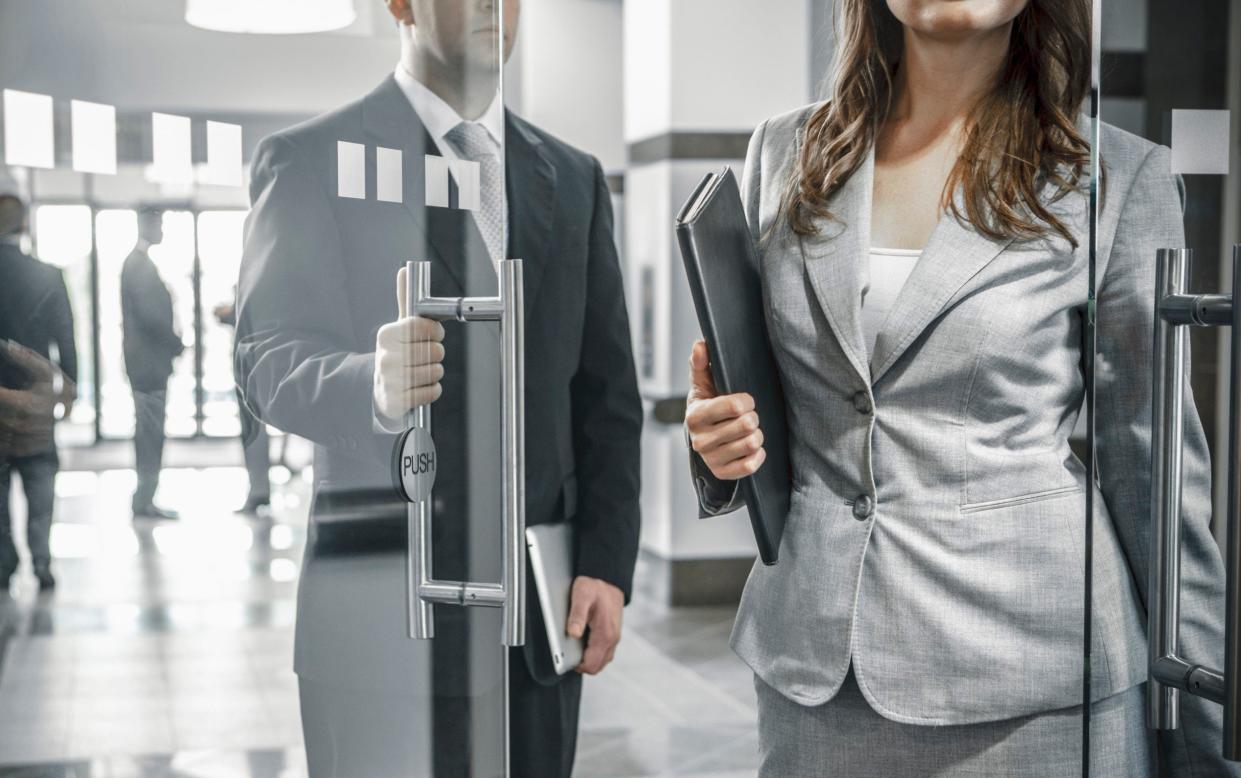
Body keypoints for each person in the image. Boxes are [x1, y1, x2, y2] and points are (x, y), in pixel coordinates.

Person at [684, 0, 1233, 775]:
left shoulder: (1114, 176)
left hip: (1033, 676)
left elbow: (1157, 478)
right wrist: (713, 439)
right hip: (816, 670)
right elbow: (762, 401)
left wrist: (1206, 733)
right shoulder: (783, 151)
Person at [234, 0, 642, 775]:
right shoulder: (312, 159)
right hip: (379, 619)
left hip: (534, 620)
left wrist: (606, 563)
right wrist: (371, 385)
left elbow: (606, 401)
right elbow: (265, 359)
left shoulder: (574, 178)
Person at [0, 193, 77, 591]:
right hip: (35, 399)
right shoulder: (46, 274)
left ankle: (4, 562)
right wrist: (70, 389)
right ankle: (41, 559)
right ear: (24, 225)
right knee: (39, 476)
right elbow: (66, 337)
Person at [120, 207, 183, 521]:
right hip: (148, 366)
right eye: (159, 223)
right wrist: (176, 342)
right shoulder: (139, 266)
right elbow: (151, 317)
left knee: (149, 429)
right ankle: (144, 499)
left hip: (145, 365)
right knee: (150, 432)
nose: (162, 230)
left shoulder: (139, 264)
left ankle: (146, 498)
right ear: (146, 224)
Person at [213, 296, 271, 515]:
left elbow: (249, 316)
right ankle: (258, 490)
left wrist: (228, 314)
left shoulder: (254, 275)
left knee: (253, 430)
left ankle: (258, 491)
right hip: (251, 366)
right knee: (252, 430)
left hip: (252, 368)